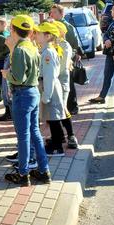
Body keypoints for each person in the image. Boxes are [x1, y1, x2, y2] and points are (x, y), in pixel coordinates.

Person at [2, 15, 51, 186]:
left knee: (23, 137)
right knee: (35, 133)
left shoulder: (19, 50)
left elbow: (18, 77)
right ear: (30, 31)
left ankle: (23, 174)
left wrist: (7, 74)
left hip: (22, 94)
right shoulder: (31, 46)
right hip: (33, 92)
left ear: (13, 30)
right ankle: (44, 171)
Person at [36, 22, 66, 156]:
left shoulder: (48, 53)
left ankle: (57, 147)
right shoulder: (45, 50)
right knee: (52, 117)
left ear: (48, 36)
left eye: (39, 33)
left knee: (54, 118)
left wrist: (46, 95)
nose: (36, 35)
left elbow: (49, 75)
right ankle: (56, 140)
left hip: (50, 88)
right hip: (49, 87)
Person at [49, 4, 84, 114]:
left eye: (54, 12)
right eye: (51, 12)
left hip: (67, 57)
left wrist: (77, 53)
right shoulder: (51, 25)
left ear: (61, 14)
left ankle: (73, 106)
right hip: (55, 57)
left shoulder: (67, 26)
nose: (51, 14)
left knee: (68, 81)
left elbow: (74, 43)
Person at [51, 20, 79, 149]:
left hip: (61, 82)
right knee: (53, 110)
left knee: (62, 108)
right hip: (53, 81)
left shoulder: (64, 45)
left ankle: (71, 136)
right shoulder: (52, 45)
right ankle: (59, 136)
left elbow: (61, 67)